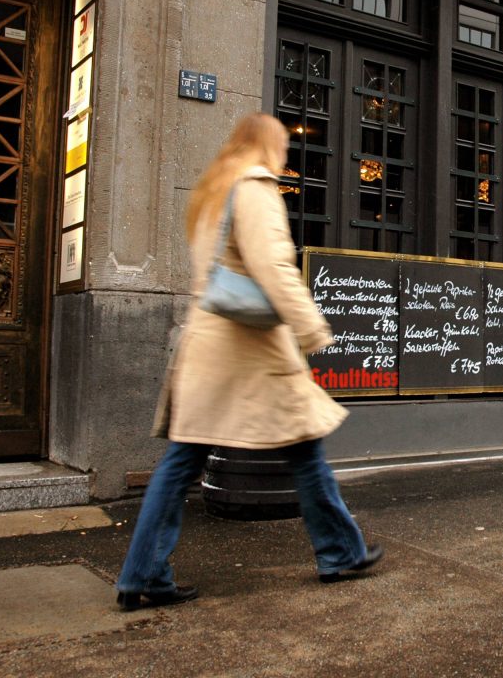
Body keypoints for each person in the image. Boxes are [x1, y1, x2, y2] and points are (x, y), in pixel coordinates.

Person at [115, 112, 382, 611]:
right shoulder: (256, 189)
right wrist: (312, 329)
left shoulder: (211, 193)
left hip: (209, 351)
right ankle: (340, 553)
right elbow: (274, 268)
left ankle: (143, 574)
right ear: (268, 148)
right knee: (304, 448)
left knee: (180, 464)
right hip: (251, 350)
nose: (284, 156)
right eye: (282, 147)